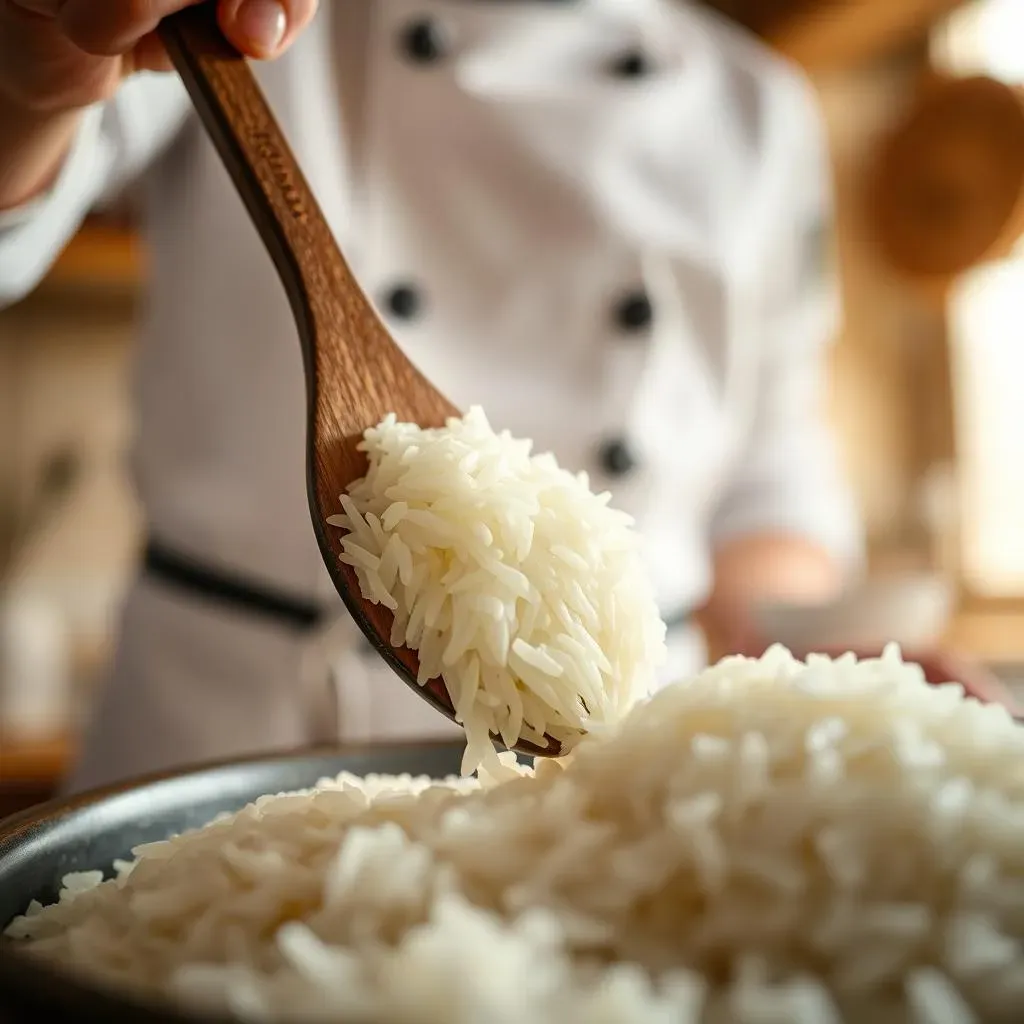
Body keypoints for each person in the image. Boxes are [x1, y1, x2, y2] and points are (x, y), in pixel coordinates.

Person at [1, 0, 869, 793]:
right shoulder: (255, 18)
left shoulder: (760, 105)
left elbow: (770, 461)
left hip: (628, 748)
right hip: (227, 737)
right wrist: (32, 79)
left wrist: (804, 669)